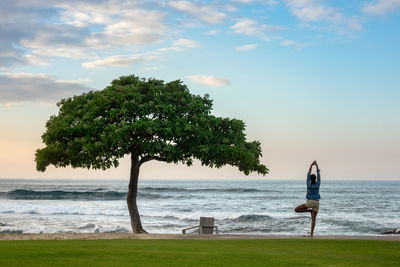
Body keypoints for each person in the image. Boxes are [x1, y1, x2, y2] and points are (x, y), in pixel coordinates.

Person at [295, 160, 321, 237]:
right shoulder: (318, 184)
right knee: (313, 220)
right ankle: (311, 234)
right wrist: (316, 165)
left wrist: (311, 165)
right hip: (316, 203)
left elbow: (308, 174)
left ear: (310, 179)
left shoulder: (308, 184)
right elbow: (319, 175)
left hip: (310, 202)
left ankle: (309, 211)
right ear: (315, 179)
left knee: (296, 209)